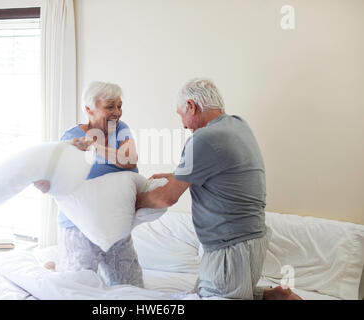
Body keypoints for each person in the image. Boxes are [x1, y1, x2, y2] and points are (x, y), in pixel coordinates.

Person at [135, 78, 301, 300]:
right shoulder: (238, 125)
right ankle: (273, 296)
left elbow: (167, 198)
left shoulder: (203, 139)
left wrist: (128, 200)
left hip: (229, 249)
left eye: (180, 114)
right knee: (208, 293)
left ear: (192, 106)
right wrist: (174, 176)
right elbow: (217, 175)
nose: (183, 125)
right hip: (251, 242)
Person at [35, 81, 143, 288]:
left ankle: (55, 267)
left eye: (120, 106)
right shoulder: (71, 137)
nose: (117, 112)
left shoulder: (121, 129)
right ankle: (52, 269)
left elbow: (129, 160)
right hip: (78, 226)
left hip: (115, 225)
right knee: (78, 288)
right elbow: (58, 178)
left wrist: (94, 145)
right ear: (88, 109)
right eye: (110, 106)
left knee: (132, 288)